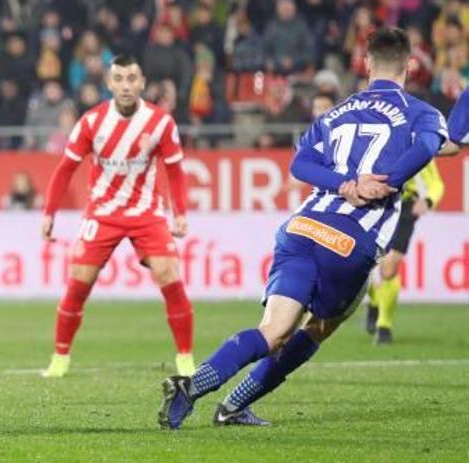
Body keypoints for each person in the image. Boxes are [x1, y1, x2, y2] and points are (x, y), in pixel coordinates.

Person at [158, 27, 448, 429]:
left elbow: (299, 164)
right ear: (410, 65)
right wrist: (387, 179)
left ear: (366, 64)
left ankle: (192, 387)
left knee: (273, 329)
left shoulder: (336, 112)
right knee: (318, 327)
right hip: (349, 241)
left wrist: (344, 184)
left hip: (302, 228)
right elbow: (432, 146)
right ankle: (233, 404)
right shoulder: (420, 112)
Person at [40, 55, 195, 378]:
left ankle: (185, 357)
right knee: (79, 283)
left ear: (142, 83)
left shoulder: (161, 123)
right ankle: (60, 358)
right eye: (120, 78)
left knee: (169, 275)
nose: (126, 85)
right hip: (103, 213)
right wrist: (48, 213)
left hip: (147, 214)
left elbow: (176, 172)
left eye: (132, 78)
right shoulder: (91, 122)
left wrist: (179, 213)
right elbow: (65, 169)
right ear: (109, 84)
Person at [365, 159, 443, 344]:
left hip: (404, 207)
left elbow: (436, 182)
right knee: (363, 263)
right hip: (373, 206)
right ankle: (374, 301)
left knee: (389, 268)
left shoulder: (420, 144)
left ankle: (384, 326)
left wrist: (429, 200)